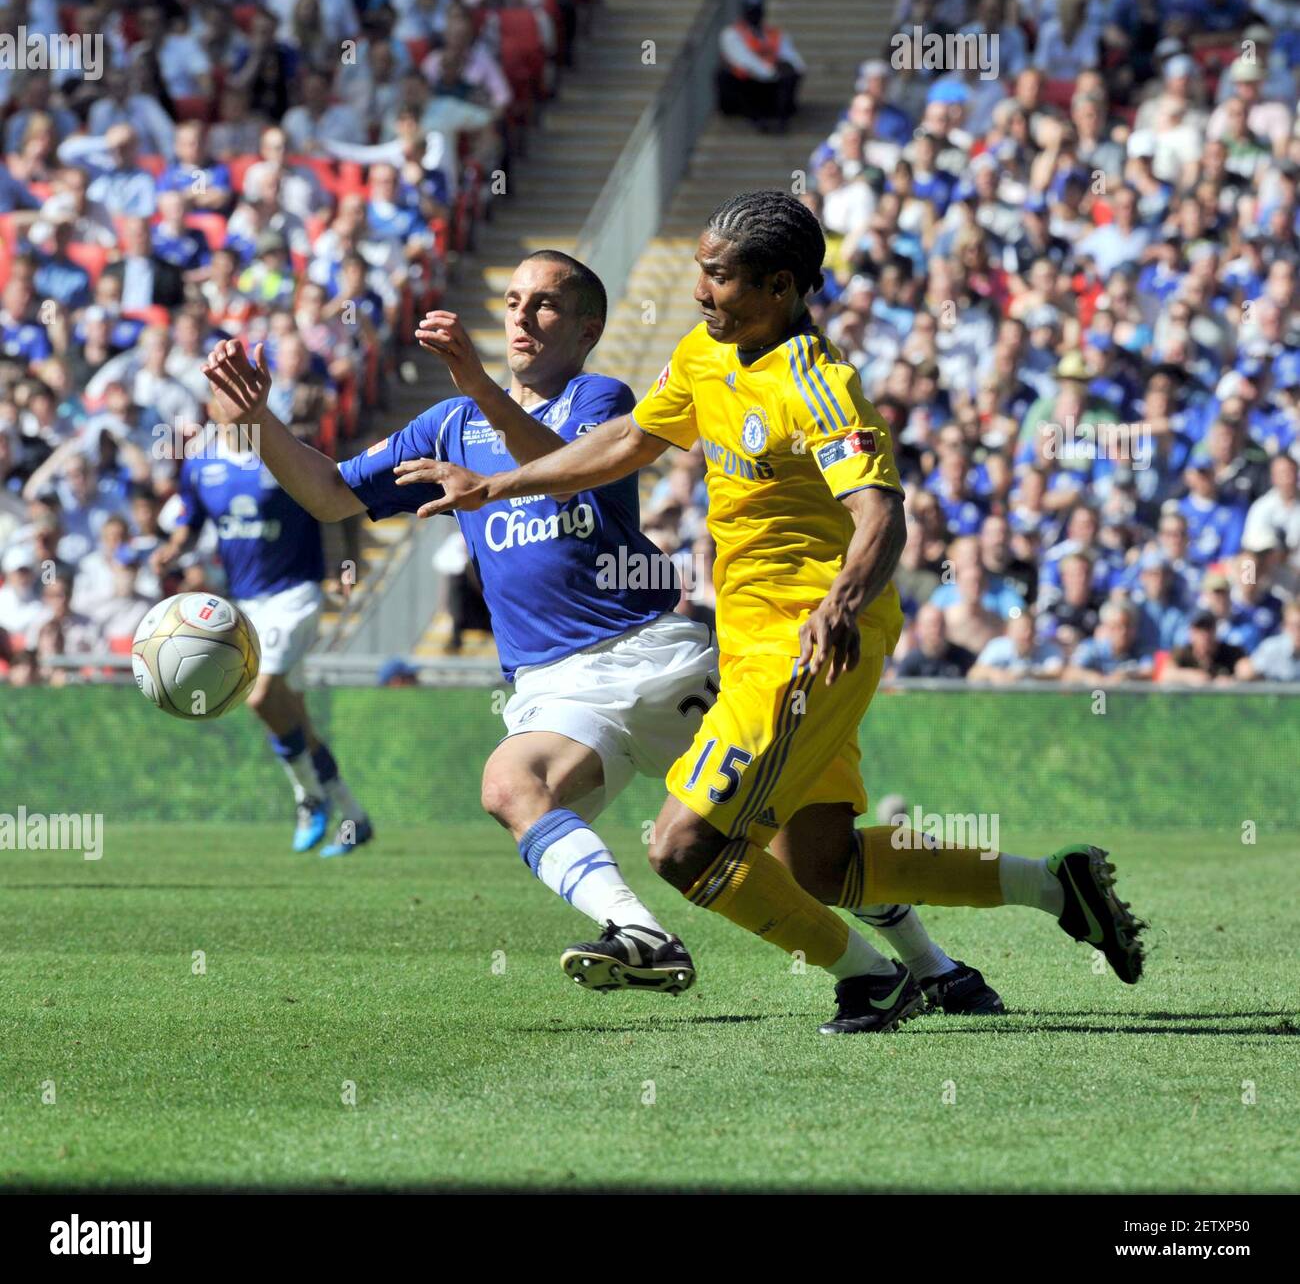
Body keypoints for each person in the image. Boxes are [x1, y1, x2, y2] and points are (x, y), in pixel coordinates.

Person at [388, 192, 1147, 1032]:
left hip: (812, 641)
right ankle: (1053, 885)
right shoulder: (704, 357)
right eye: (702, 271)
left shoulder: (818, 384)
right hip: (746, 645)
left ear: (779, 286)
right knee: (820, 864)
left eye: (719, 277)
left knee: (681, 846)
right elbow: (625, 443)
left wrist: (841, 604)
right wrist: (500, 483)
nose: (701, 291)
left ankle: (872, 980)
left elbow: (882, 513)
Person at [199, 248, 1004, 1018]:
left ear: (586, 330)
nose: (524, 317)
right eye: (513, 302)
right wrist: (259, 418)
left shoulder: (604, 401)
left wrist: (478, 384)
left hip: (652, 655)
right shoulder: (448, 424)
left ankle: (934, 968)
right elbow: (332, 497)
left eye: (546, 303)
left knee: (804, 853)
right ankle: (647, 934)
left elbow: (563, 466)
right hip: (554, 685)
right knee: (510, 788)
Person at [151, 415, 370, 858]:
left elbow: (338, 499)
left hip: (296, 594)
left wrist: (345, 565)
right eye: (223, 390)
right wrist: (172, 549)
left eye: (240, 388)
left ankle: (308, 797)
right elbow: (190, 521)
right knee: (296, 719)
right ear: (213, 404)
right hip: (246, 603)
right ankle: (353, 816)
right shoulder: (200, 464)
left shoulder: (288, 449)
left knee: (257, 692)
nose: (233, 400)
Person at [716, 0, 805, 133]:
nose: (755, 16)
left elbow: (790, 56)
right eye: (751, 12)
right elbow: (744, 60)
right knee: (727, 75)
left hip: (770, 84)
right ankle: (757, 119)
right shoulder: (732, 34)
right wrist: (769, 72)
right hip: (748, 85)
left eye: (757, 11)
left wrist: (793, 68)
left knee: (789, 74)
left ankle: (781, 116)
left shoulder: (773, 34)